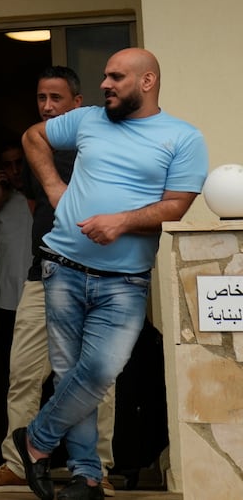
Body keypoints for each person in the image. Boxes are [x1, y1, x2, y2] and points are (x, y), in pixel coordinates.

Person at [13, 50, 207, 500]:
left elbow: (177, 205)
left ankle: (36, 441)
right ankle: (87, 477)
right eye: (105, 76)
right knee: (69, 375)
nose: (105, 84)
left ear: (147, 81)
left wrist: (120, 221)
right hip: (61, 266)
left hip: (124, 280)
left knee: (99, 371)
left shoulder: (182, 137)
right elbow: (33, 138)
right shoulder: (87, 120)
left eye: (116, 77)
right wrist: (55, 188)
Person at [0, 67, 116, 494]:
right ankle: (16, 464)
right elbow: (39, 207)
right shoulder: (36, 145)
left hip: (96, 275)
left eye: (56, 98)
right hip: (42, 275)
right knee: (24, 374)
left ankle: (96, 470)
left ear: (77, 101)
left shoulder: (103, 138)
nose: (47, 106)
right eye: (41, 98)